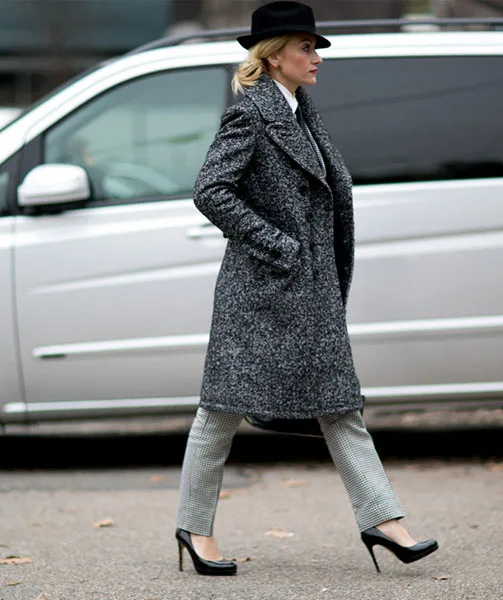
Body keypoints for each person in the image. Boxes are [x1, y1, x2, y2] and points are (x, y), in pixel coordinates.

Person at [175, 1, 438, 576]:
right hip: (261, 292)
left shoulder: (301, 113)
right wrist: (280, 245)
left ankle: (384, 520)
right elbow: (211, 190)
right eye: (305, 47)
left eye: (316, 47)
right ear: (274, 57)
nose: (316, 57)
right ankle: (194, 529)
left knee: (340, 407)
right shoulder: (252, 114)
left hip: (311, 291)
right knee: (221, 410)